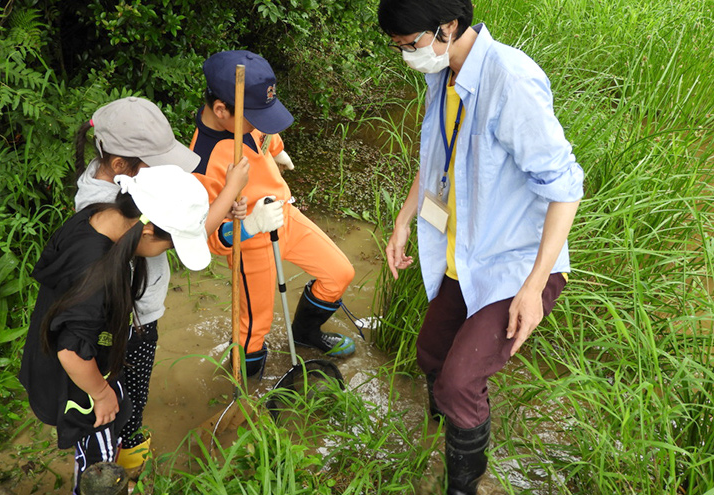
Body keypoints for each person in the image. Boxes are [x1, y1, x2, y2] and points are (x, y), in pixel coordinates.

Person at [377, 1, 584, 493]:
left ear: (447, 27)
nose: (407, 56)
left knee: (459, 382)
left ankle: (462, 485)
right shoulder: (442, 74)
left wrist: (533, 288)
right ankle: (445, 435)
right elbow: (436, 160)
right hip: (466, 254)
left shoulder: (509, 79)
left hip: (517, 263)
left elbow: (566, 187)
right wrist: (403, 221)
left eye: (410, 44)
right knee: (431, 354)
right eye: (398, 48)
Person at [70, 96, 280, 477]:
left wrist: (224, 204)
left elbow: (173, 211)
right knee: (124, 397)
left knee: (129, 394)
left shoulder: (116, 177)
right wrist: (230, 192)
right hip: (127, 327)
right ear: (120, 165)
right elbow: (176, 237)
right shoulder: (106, 212)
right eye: (157, 162)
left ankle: (128, 443)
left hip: (135, 316)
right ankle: (125, 457)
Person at [19, 166, 220, 494]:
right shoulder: (96, 274)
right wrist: (101, 394)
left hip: (60, 357)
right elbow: (70, 351)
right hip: (78, 388)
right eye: (169, 246)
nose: (166, 253)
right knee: (99, 465)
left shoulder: (96, 217)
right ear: (148, 231)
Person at [190, 50, 357, 377]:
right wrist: (250, 225)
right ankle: (246, 385)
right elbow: (210, 239)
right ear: (221, 110)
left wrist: (278, 152)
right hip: (250, 241)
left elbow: (266, 134)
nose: (259, 124)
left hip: (283, 214)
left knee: (339, 273)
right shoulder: (202, 161)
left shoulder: (246, 113)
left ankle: (305, 333)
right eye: (255, 117)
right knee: (254, 328)